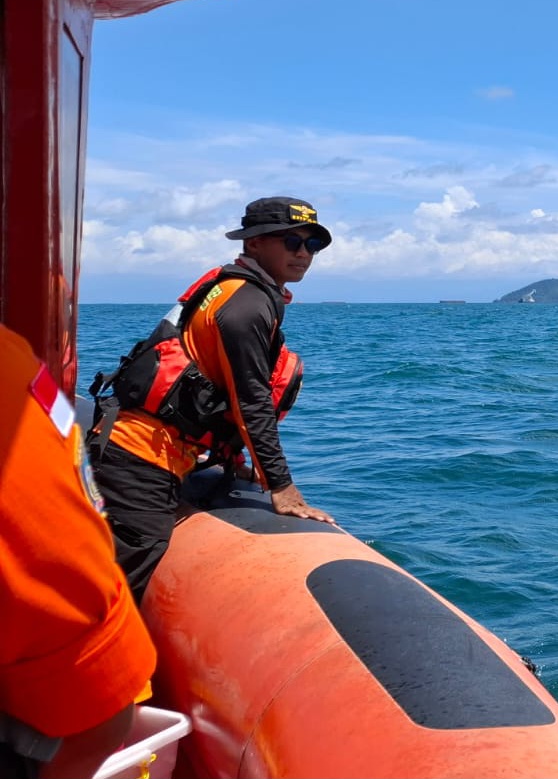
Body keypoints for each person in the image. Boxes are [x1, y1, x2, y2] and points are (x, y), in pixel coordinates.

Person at [93, 196, 336, 602]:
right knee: (124, 577)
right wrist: (281, 488)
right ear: (254, 243)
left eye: (312, 245)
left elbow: (213, 391)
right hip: (138, 457)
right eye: (291, 241)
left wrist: (233, 461)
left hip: (143, 448)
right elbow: (251, 401)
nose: (303, 254)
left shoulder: (236, 289)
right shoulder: (246, 305)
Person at [1, 322, 157, 779]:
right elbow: (97, 722)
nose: (302, 252)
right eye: (294, 242)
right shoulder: (11, 371)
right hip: (147, 463)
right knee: (146, 548)